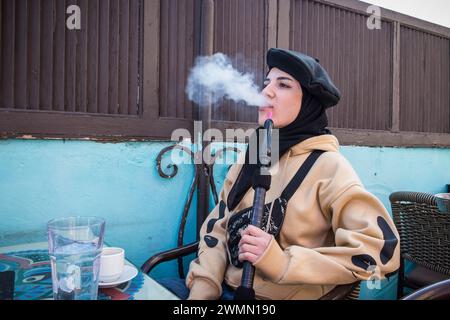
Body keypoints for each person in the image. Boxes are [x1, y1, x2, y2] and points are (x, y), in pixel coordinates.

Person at [158, 48, 400, 300]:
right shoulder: (254, 155)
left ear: (309, 102)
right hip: (225, 291)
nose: (266, 92)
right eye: (266, 83)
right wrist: (204, 289)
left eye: (283, 85)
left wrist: (282, 262)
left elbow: (381, 251)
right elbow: (218, 227)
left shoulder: (329, 166)